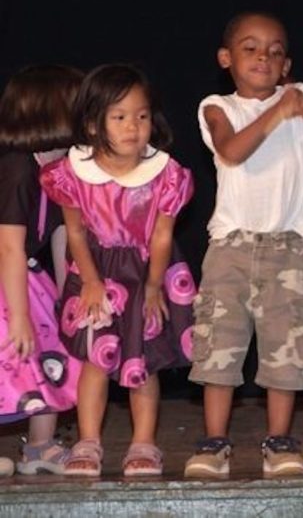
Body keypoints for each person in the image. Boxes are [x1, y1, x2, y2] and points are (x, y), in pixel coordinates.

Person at [184, 12, 303, 478]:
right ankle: (214, 442)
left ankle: (279, 440)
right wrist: (281, 109)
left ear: (286, 63)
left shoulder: (297, 107)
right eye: (250, 48)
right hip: (230, 247)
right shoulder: (218, 106)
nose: (263, 57)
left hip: (286, 249)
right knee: (219, 347)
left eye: (275, 51)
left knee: (286, 350)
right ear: (226, 58)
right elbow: (232, 151)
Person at [41, 64, 195, 477]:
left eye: (142, 116)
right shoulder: (73, 173)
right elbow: (74, 231)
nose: (133, 127)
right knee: (95, 361)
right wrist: (90, 282)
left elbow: (162, 237)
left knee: (140, 361)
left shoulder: (167, 175)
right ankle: (88, 441)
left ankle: (143, 442)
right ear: (93, 124)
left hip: (146, 271)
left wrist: (153, 286)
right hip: (96, 270)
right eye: (120, 117)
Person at [0, 65, 84, 476]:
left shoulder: (55, 171)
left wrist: (69, 290)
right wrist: (19, 316)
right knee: (10, 355)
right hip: (7, 276)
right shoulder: (18, 168)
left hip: (29, 276)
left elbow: (58, 235)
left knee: (55, 352)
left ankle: (40, 447)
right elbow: (10, 246)